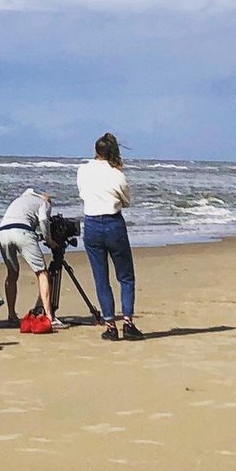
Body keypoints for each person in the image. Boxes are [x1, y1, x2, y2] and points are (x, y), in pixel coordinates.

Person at [77, 132, 144, 341]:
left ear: (96, 151)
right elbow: (126, 200)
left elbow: (82, 193)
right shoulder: (117, 174)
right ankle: (128, 322)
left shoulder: (83, 170)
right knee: (125, 276)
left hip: (92, 223)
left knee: (101, 277)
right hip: (113, 222)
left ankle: (110, 324)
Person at [0, 188, 63, 330]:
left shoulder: (20, 200)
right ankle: (49, 316)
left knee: (12, 274)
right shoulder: (44, 203)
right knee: (42, 272)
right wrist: (49, 240)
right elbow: (44, 220)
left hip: (2, 233)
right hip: (22, 232)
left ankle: (11, 315)